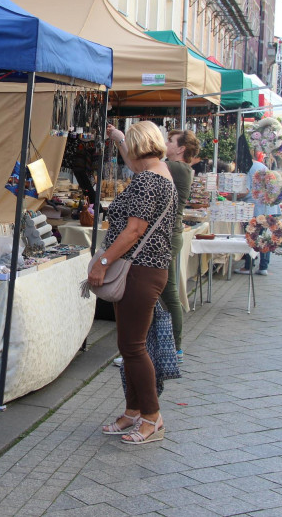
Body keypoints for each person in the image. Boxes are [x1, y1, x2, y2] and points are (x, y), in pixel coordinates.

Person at [91, 121, 177, 445]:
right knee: (130, 346)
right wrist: (118, 138)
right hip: (147, 270)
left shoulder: (146, 182)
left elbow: (132, 231)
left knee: (133, 347)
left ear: (141, 149)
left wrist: (102, 262)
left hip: (138, 270)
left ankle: (152, 418)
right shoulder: (161, 172)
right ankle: (133, 411)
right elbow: (134, 160)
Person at [163, 128, 199, 364]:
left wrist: (123, 140)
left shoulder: (176, 168)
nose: (166, 143)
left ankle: (174, 347)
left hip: (166, 237)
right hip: (170, 236)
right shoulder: (178, 168)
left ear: (181, 148)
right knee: (167, 292)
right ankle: (173, 347)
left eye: (170, 140)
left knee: (167, 294)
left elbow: (141, 165)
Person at [236, 146, 280, 275]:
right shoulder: (261, 165)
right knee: (264, 237)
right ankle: (263, 267)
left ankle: (248, 266)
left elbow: (246, 191)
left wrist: (232, 196)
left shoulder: (248, 168)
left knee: (252, 236)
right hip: (268, 206)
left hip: (256, 208)